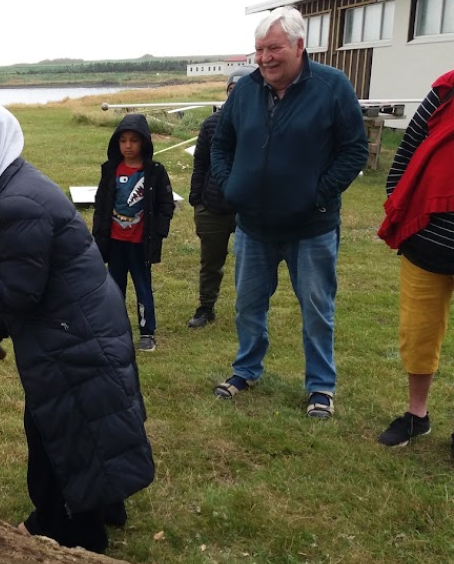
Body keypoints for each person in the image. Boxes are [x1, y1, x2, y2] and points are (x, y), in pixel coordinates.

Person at [0, 99, 154, 553]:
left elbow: (24, 290)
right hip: (77, 316)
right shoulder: (14, 186)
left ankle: (62, 523)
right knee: (88, 417)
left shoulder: (15, 202)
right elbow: (32, 280)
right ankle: (105, 503)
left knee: (55, 423)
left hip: (72, 327)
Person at [209, 7, 368, 418]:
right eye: (259, 50)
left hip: (310, 227)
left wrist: (318, 195)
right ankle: (246, 370)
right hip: (253, 227)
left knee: (317, 308)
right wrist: (230, 186)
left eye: (273, 48)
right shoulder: (245, 90)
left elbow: (354, 150)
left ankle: (320, 386)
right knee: (248, 305)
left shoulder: (332, 86)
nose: (264, 58)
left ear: (299, 46)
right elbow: (220, 144)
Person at [376, 69, 454, 447]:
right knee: (418, 333)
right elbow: (408, 150)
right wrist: (401, 203)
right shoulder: (445, 91)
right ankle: (416, 415)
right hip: (428, 241)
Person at [92, 114, 175, 352]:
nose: (128, 146)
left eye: (134, 140)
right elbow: (101, 204)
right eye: (123, 141)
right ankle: (114, 331)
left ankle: (147, 332)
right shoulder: (110, 170)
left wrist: (158, 232)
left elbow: (165, 205)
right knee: (113, 288)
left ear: (145, 143)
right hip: (115, 243)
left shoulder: (155, 172)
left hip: (140, 243)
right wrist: (99, 236)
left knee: (142, 287)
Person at [186, 65, 256, 329]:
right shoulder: (212, 124)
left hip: (248, 209)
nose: (235, 94)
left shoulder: (262, 124)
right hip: (212, 206)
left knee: (250, 264)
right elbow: (200, 163)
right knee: (210, 263)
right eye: (231, 89)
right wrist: (197, 199)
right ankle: (206, 308)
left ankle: (249, 312)